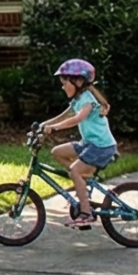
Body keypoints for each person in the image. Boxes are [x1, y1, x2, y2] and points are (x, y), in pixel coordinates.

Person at [36, 57, 119, 229]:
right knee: (57, 152)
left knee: (74, 171)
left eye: (65, 82)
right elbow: (64, 115)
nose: (62, 87)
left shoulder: (88, 99)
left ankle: (86, 214)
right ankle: (83, 181)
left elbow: (77, 118)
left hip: (101, 146)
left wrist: (55, 128)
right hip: (89, 143)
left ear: (78, 81)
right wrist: (42, 125)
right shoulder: (78, 99)